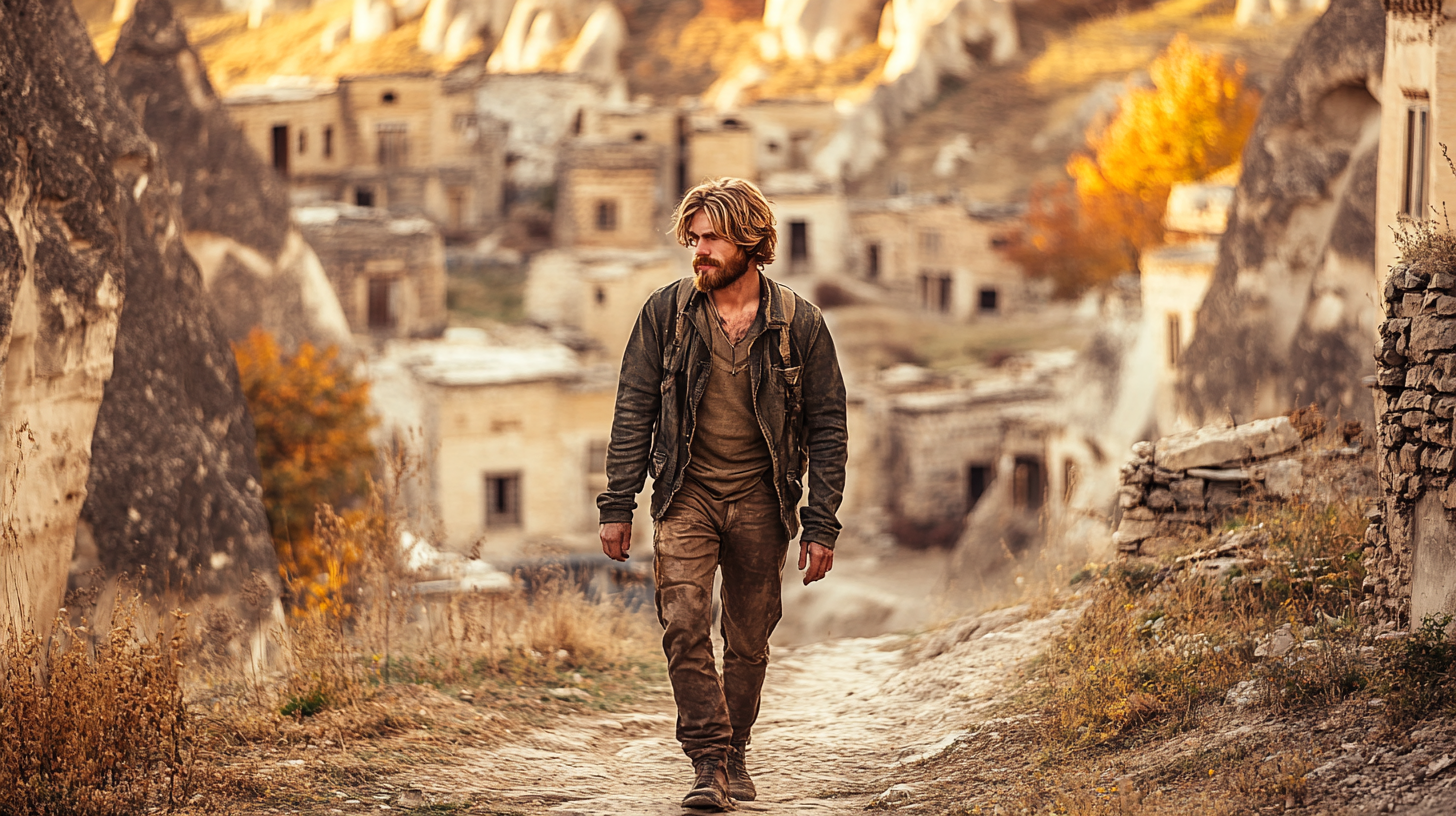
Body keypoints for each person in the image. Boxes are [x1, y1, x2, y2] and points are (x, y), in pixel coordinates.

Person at [597, 177, 848, 810]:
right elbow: (633, 409)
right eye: (695, 238)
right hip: (687, 493)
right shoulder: (666, 314)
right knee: (683, 625)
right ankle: (708, 761)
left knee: (748, 640)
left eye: (714, 239)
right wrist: (618, 504)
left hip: (764, 500)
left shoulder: (800, 324)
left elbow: (828, 426)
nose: (700, 251)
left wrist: (821, 524)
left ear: (753, 242)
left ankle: (735, 754)